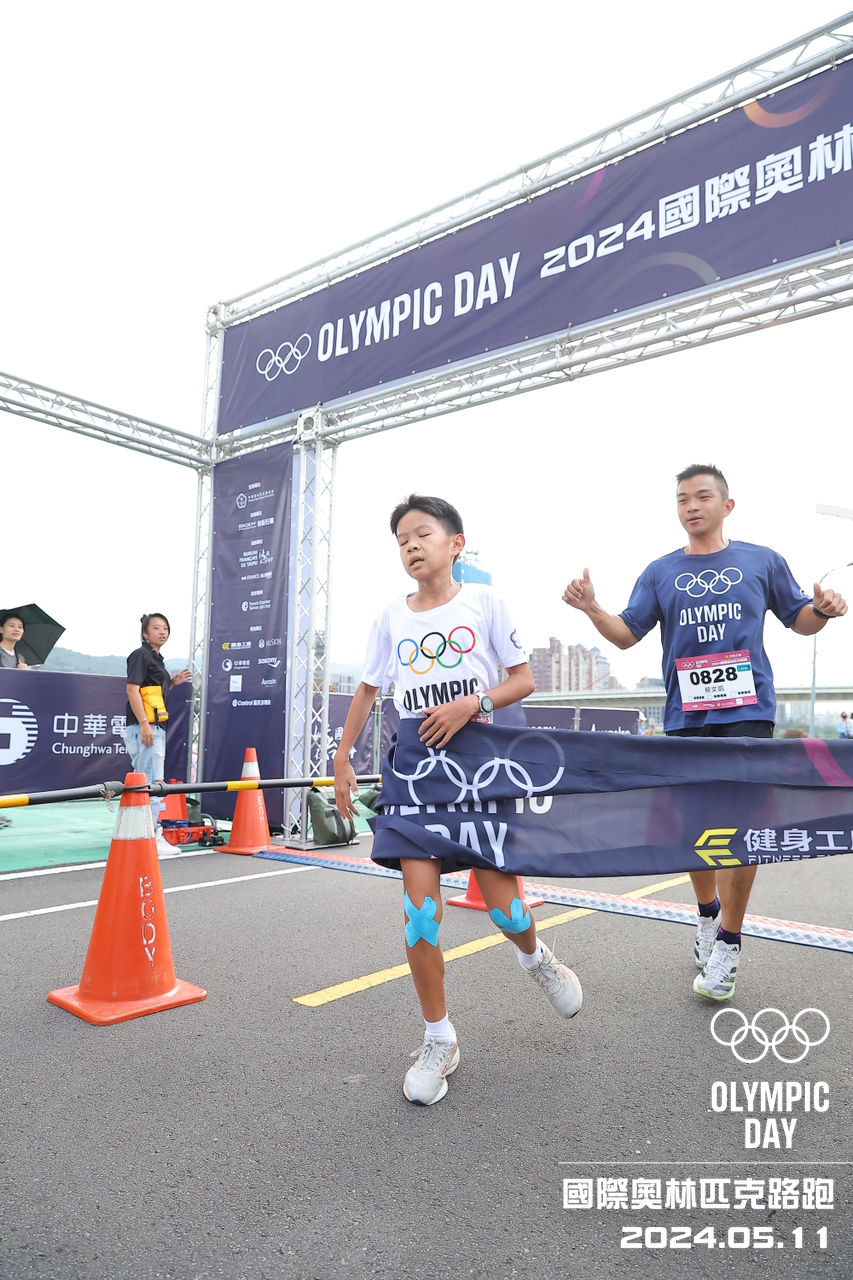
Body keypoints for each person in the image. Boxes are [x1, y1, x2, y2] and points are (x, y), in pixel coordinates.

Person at [563, 464, 847, 1002]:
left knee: (744, 829)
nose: (691, 505)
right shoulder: (660, 571)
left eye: (702, 496)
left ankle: (730, 943)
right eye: (682, 498)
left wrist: (824, 611)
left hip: (748, 714)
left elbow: (800, 619)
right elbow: (626, 635)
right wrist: (592, 607)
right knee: (694, 828)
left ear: (727, 505)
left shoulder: (761, 561)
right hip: (685, 718)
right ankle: (706, 913)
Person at [334, 494, 582, 1106]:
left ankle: (537, 959)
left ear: (456, 543)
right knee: (421, 913)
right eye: (401, 540)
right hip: (417, 772)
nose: (411, 546)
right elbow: (367, 691)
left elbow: (523, 679)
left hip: (479, 765)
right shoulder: (391, 616)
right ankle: (439, 1039)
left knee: (505, 910)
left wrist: (473, 703)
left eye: (422, 534)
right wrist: (341, 758)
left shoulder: (487, 603)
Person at [121, 613, 190, 858]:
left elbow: (151, 692)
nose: (162, 632)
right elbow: (132, 689)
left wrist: (171, 683)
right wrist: (144, 724)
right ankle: (150, 837)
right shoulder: (141, 655)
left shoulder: (156, 659)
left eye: (165, 628)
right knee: (152, 783)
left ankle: (139, 834)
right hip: (147, 727)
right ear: (145, 633)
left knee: (144, 782)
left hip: (153, 726)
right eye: (156, 628)